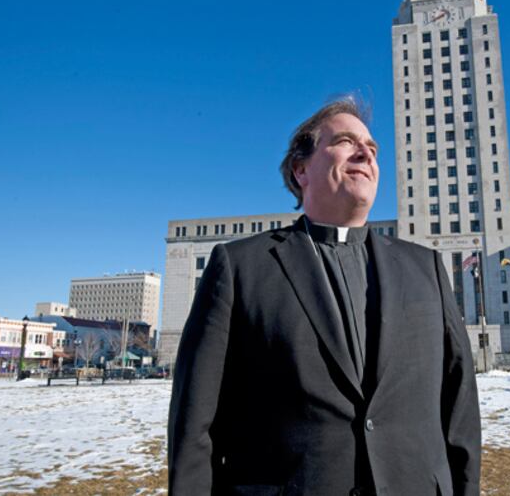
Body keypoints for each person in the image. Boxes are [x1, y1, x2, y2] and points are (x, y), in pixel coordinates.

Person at [168, 98, 481, 496]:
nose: (365, 152)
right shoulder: (239, 267)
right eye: (347, 141)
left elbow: (460, 412)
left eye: (372, 147)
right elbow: (194, 424)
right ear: (301, 169)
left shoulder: (428, 270)